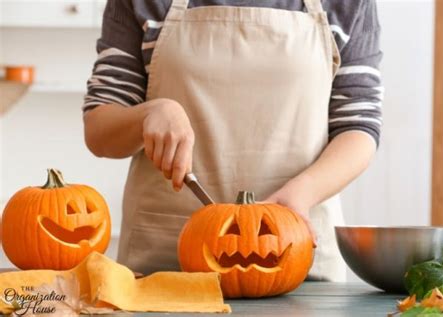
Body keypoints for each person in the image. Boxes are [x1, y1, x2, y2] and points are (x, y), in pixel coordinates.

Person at [83, 0, 383, 281]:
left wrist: (302, 193)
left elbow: (357, 128)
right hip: (164, 270)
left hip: (296, 259)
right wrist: (150, 113)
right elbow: (99, 131)